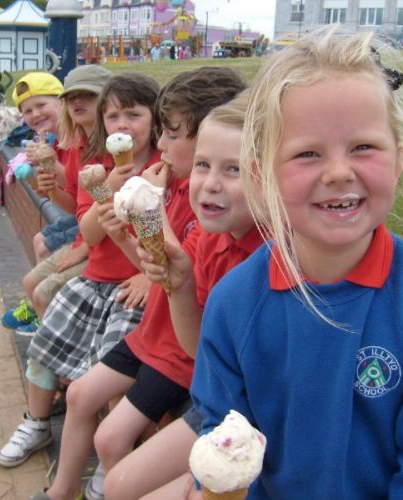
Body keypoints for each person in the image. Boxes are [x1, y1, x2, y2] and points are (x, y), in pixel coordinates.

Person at [190, 26, 403, 499]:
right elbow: (221, 440)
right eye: (307, 154)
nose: (339, 172)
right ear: (263, 174)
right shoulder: (234, 305)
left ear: (400, 157)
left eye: (363, 147)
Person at [32, 67, 246, 500]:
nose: (162, 145)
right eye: (203, 163)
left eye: (170, 133)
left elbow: (171, 274)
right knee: (80, 397)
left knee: (111, 440)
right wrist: (117, 230)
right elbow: (162, 270)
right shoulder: (172, 186)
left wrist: (150, 211)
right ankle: (64, 490)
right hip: (158, 332)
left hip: (178, 351)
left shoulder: (197, 200)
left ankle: (104, 487)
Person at [103, 90, 268, 500]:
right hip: (220, 401)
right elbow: (199, 347)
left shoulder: (273, 257)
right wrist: (178, 286)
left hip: (257, 414)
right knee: (118, 483)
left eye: (233, 170)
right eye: (202, 166)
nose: (210, 184)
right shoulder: (209, 237)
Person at [0, 72, 160, 469]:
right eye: (114, 116)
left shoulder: (161, 169)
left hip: (134, 284)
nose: (122, 125)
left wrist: (146, 274)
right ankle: (36, 423)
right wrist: (107, 191)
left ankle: (113, 461)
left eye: (133, 115)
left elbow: (163, 236)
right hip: (96, 278)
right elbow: (86, 229)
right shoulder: (97, 167)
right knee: (44, 349)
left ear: (155, 119)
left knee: (115, 369)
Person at [1, 66, 112, 334]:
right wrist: (50, 190)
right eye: (28, 111)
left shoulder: (107, 147)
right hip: (89, 229)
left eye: (41, 105)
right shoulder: (78, 144)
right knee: (35, 276)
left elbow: (109, 208)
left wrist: (84, 245)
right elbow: (77, 200)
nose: (35, 114)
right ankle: (44, 323)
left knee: (42, 287)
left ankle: (46, 326)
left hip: (103, 243)